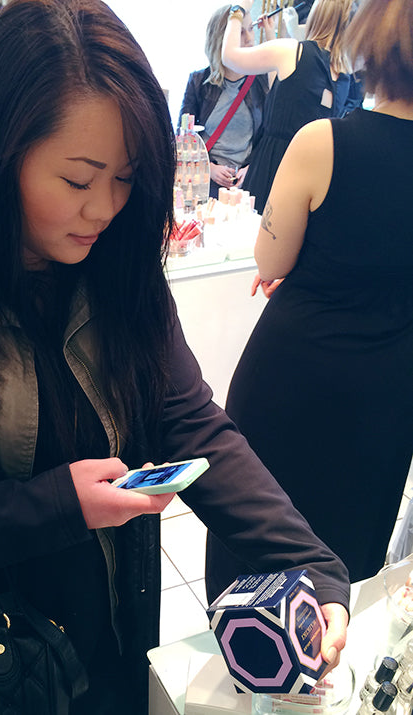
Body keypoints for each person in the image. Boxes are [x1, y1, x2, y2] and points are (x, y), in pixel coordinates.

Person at [0, 2, 348, 713]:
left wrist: (307, 563)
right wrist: (50, 507)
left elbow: (186, 417)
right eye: (79, 181)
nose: (105, 208)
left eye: (126, 177)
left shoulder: (113, 259)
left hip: (104, 643)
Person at [207, 0, 413, 599]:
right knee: (344, 570)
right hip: (387, 393)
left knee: (256, 556)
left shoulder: (323, 143)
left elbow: (270, 262)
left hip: (294, 376)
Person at [221, 0, 353, 213]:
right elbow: (284, 88)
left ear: (317, 15)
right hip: (315, 175)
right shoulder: (343, 71)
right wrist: (271, 34)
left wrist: (238, 10)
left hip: (275, 166)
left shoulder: (293, 51)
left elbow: (230, 57)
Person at [178, 3, 272, 198]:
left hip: (245, 184)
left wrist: (252, 168)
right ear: (223, 38)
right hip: (204, 181)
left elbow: (269, 136)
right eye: (241, 32)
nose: (249, 39)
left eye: (251, 29)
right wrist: (208, 167)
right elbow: (183, 137)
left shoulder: (262, 81)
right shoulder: (198, 81)